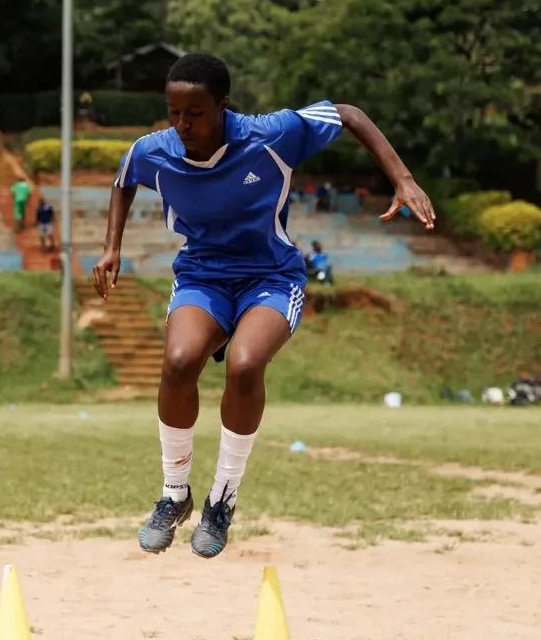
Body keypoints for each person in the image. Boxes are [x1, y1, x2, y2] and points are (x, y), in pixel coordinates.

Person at [92, 52, 433, 559]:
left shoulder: (271, 134)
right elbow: (124, 179)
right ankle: (174, 495)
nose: (183, 124)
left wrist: (401, 178)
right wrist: (112, 246)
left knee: (245, 364)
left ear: (223, 106)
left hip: (270, 278)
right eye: (174, 112)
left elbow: (348, 114)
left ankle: (222, 499)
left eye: (196, 113)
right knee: (179, 361)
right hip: (203, 276)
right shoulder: (155, 150)